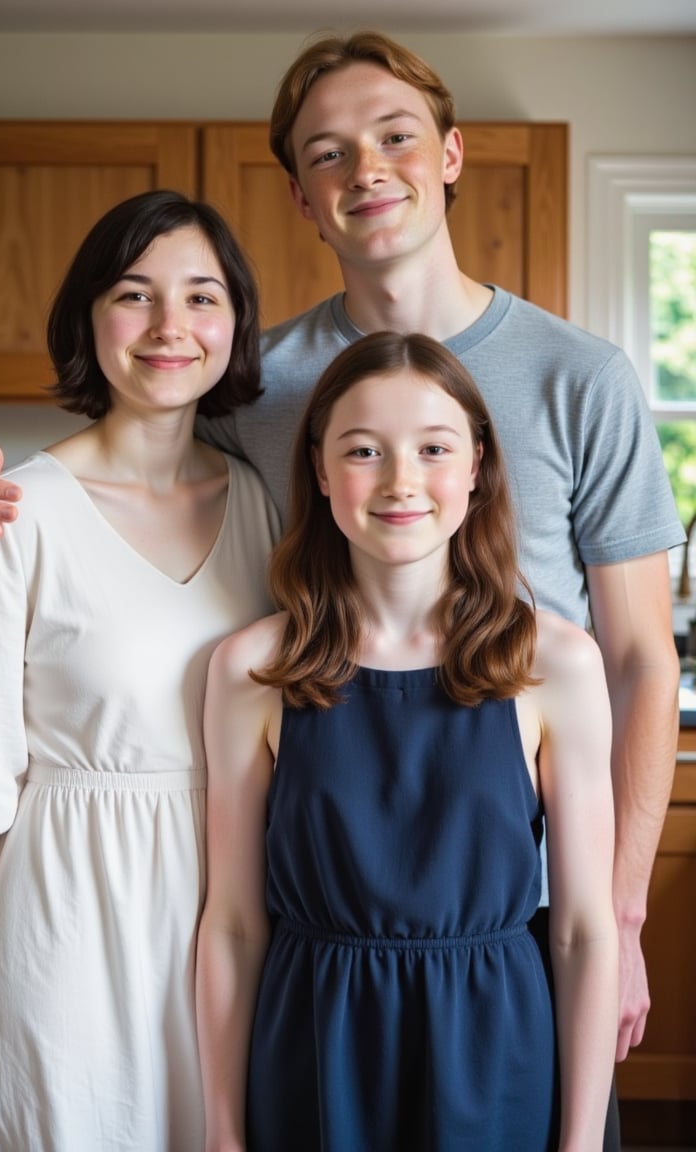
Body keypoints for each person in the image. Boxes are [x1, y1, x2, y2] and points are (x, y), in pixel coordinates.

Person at [0, 29, 683, 1142]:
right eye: (328, 153)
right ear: (299, 196)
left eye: (395, 138)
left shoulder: (585, 377)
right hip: (311, 909)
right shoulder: (255, 386)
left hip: (510, 922)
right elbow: (127, 472)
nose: (365, 170)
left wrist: (617, 918)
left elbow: (638, 659)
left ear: (453, 154)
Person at [195, 330, 619, 1151]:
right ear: (320, 471)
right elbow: (235, 925)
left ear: (476, 467)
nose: (400, 482)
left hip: (495, 1051)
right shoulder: (252, 668)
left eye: (433, 448)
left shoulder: (556, 663)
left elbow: (582, 930)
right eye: (363, 451)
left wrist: (580, 1142)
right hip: (312, 1050)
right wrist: (222, 1129)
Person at [0, 189, 279, 1151]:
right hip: (64, 926)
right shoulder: (14, 512)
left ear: (237, 322)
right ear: (88, 316)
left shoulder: (264, 505)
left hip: (238, 917)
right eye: (135, 294)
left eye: (203, 297)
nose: (171, 327)